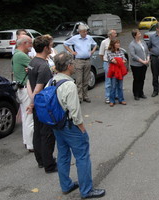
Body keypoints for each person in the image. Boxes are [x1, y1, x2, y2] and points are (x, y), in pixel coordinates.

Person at [52, 52, 106, 199]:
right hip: (70, 126)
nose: (75, 65)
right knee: (82, 157)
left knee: (63, 156)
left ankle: (66, 185)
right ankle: (86, 190)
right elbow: (75, 111)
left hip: (57, 125)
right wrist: (82, 127)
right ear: (69, 66)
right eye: (73, 63)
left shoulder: (52, 81)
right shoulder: (69, 84)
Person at [26, 34, 57, 173]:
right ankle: (49, 164)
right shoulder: (43, 66)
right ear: (45, 48)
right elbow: (38, 88)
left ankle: (40, 160)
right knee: (47, 135)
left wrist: (31, 100)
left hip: (37, 103)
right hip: (43, 105)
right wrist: (32, 103)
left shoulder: (32, 62)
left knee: (38, 133)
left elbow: (28, 83)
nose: (51, 48)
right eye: (50, 46)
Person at [64, 24, 97, 103]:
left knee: (86, 79)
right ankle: (79, 97)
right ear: (79, 32)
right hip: (78, 61)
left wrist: (92, 51)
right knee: (79, 80)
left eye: (86, 31)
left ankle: (85, 96)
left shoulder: (89, 38)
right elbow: (65, 44)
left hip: (87, 60)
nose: (85, 33)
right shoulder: (75, 38)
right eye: (83, 32)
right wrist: (71, 52)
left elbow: (95, 44)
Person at [12, 35, 34, 152]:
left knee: (26, 117)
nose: (31, 45)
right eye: (30, 43)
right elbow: (35, 66)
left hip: (21, 88)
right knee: (30, 117)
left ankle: (27, 142)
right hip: (26, 89)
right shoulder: (21, 55)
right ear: (24, 43)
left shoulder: (16, 54)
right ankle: (31, 144)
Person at [129, 29, 150, 100]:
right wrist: (142, 61)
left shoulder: (143, 42)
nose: (140, 34)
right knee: (137, 79)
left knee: (142, 79)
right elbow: (133, 55)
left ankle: (141, 93)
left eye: (140, 33)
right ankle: (136, 94)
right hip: (136, 65)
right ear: (135, 35)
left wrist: (147, 59)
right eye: (138, 33)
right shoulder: (132, 44)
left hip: (144, 64)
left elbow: (147, 51)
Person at [106, 39, 128, 107]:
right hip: (113, 71)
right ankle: (112, 100)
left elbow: (125, 60)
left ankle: (121, 99)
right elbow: (112, 60)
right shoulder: (109, 51)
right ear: (113, 44)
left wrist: (118, 60)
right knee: (113, 86)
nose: (118, 44)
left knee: (120, 86)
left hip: (120, 71)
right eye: (116, 43)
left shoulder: (120, 51)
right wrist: (120, 61)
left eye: (119, 43)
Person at [99, 29, 117, 104]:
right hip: (107, 63)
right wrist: (105, 61)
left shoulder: (116, 42)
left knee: (115, 80)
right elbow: (101, 54)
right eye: (114, 33)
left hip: (115, 63)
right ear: (110, 35)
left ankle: (114, 95)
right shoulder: (104, 42)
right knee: (108, 81)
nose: (116, 34)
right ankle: (107, 97)